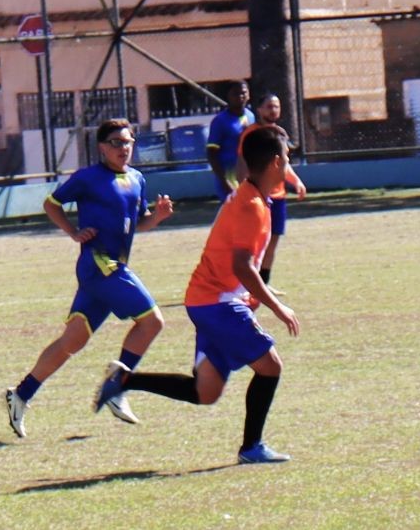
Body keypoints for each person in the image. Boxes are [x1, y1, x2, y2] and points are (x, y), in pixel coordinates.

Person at [93, 125, 300, 465]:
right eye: (287, 159)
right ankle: (252, 448)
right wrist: (277, 305)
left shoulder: (252, 198)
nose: (290, 164)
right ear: (276, 163)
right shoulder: (251, 206)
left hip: (209, 300)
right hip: (217, 303)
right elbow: (243, 265)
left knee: (206, 392)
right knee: (270, 367)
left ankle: (125, 379)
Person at [5, 119, 173, 438]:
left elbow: (140, 223)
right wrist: (72, 232)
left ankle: (21, 395)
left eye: (127, 142)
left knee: (73, 341)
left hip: (111, 267)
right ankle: (118, 385)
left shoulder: (137, 179)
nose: (123, 148)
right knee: (153, 322)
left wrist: (159, 217)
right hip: (99, 265)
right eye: (115, 142)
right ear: (101, 147)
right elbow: (52, 204)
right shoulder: (88, 178)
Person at [235, 93, 307, 294]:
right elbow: (242, 164)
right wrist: (245, 189)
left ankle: (263, 283)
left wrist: (296, 181)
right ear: (259, 109)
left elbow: (283, 164)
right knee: (256, 241)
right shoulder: (251, 134)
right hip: (259, 196)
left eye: (276, 106)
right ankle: (250, 283)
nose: (273, 110)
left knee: (272, 239)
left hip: (278, 196)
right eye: (268, 106)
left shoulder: (280, 133)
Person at [207, 79, 255, 201]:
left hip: (249, 177)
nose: (240, 96)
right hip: (230, 178)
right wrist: (224, 182)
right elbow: (212, 154)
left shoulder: (251, 116)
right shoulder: (220, 121)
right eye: (235, 93)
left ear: (248, 95)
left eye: (243, 93)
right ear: (228, 96)